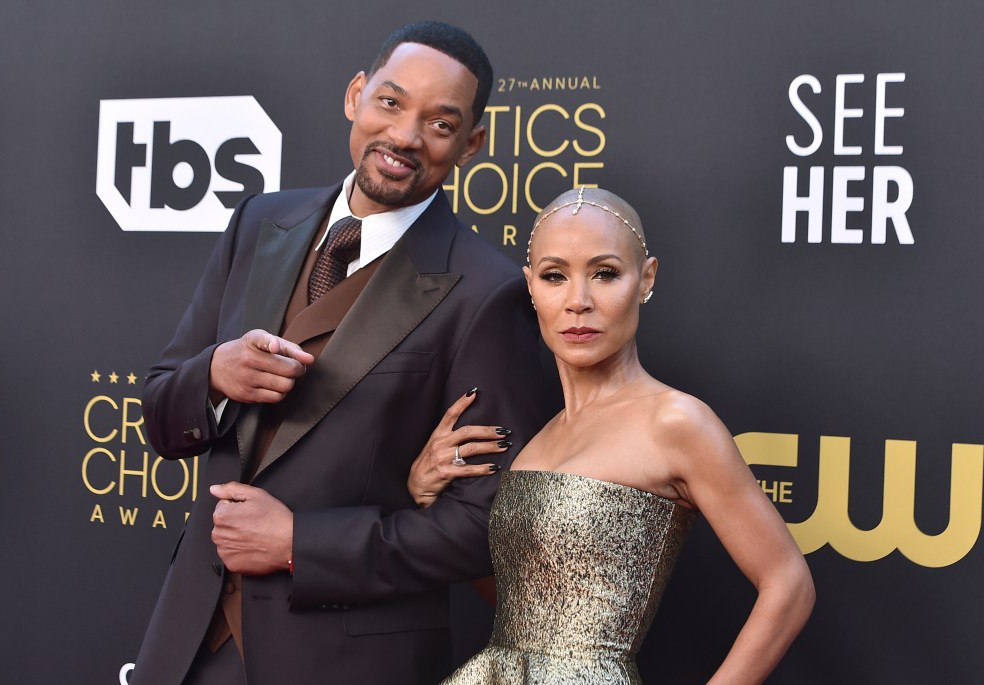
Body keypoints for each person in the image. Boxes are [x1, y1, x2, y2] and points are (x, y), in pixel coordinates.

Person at [131, 21, 553, 685]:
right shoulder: (257, 222)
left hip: (348, 657)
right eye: (391, 102)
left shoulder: (488, 292)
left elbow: (486, 529)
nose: (406, 136)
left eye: (440, 124)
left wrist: (303, 544)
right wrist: (214, 374)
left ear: (470, 144)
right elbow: (159, 410)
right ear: (356, 95)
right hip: (189, 641)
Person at [408, 187, 816, 684]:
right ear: (531, 287)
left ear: (645, 279)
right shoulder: (537, 440)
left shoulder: (676, 422)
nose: (578, 302)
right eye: (555, 276)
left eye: (605, 273)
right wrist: (430, 500)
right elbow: (536, 606)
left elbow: (788, 583)